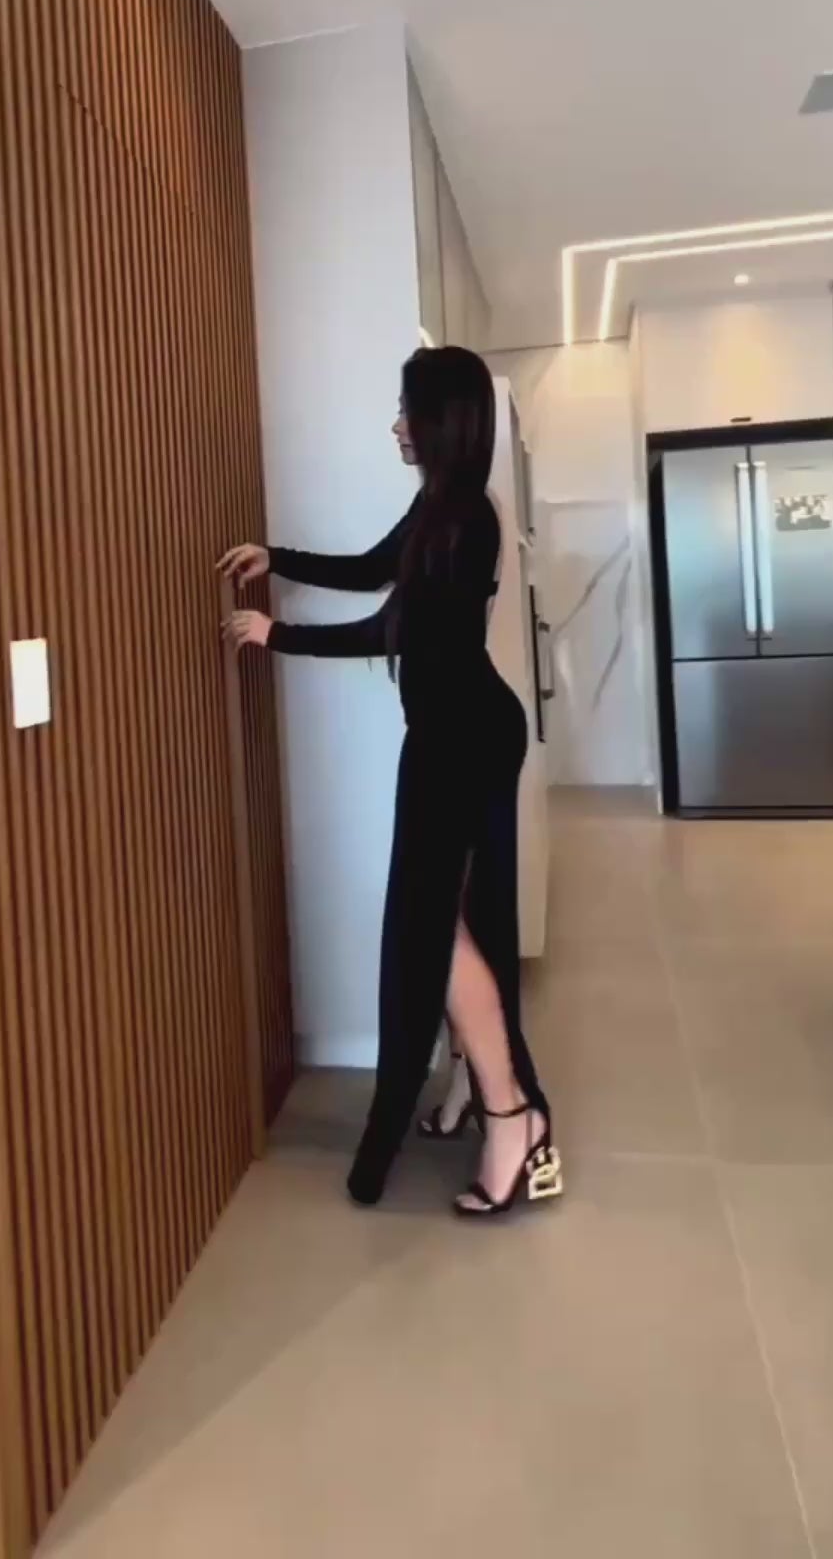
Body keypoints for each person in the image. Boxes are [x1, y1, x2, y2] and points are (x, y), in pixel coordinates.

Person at [220, 346, 559, 1218]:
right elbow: (374, 567)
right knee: (447, 922)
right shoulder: (443, 507)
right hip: (457, 735)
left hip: (462, 741)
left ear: (443, 421)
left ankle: (511, 1115)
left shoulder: (464, 520)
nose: (397, 426)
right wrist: (277, 559)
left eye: (408, 410)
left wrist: (276, 636)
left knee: (431, 930)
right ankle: (477, 1086)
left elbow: (390, 630)